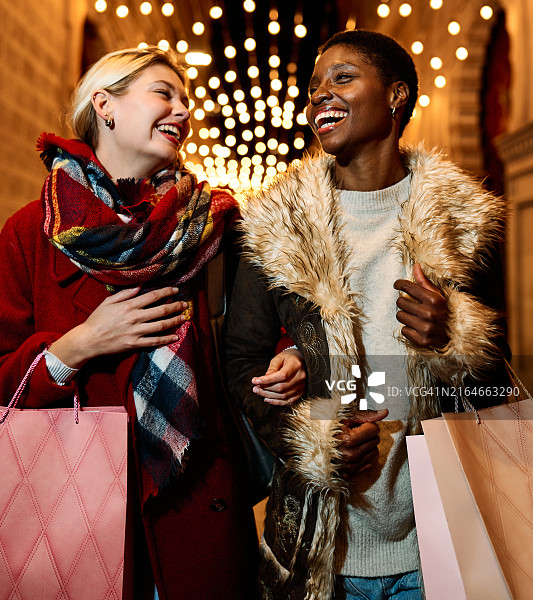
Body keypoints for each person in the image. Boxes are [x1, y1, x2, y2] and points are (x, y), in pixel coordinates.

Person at [0, 45, 304, 600]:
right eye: (164, 93)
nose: (184, 111)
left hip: (198, 503)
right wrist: (78, 346)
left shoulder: (215, 226)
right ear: (105, 105)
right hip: (75, 511)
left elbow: (268, 330)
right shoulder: (32, 234)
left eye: (186, 100)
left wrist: (291, 356)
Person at [225, 29, 509, 600]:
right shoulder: (276, 227)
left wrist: (455, 336)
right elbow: (241, 363)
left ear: (397, 95)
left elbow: (497, 389)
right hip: (318, 544)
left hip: (438, 541)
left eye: (342, 77)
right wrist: (312, 437)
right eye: (313, 88)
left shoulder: (465, 227)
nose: (320, 95)